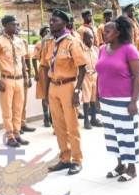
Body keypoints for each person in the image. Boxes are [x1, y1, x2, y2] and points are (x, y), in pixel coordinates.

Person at [95, 16, 139, 182]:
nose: (104, 34)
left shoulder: (129, 49)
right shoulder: (102, 49)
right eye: (104, 31)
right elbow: (100, 74)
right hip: (106, 100)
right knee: (113, 135)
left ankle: (132, 168)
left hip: (124, 101)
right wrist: (97, 97)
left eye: (108, 31)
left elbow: (138, 77)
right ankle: (120, 165)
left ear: (118, 33)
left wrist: (134, 101)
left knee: (127, 135)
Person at [42, 10, 87, 175]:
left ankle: (77, 159)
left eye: (55, 20)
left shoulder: (72, 42)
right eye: (51, 20)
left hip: (68, 86)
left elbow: (82, 68)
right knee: (58, 125)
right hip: (53, 86)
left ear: (64, 23)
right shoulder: (50, 42)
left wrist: (77, 90)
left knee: (72, 125)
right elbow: (46, 67)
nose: (51, 23)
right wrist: (46, 92)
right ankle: (65, 158)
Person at [0, 15, 31, 147]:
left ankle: (17, 134)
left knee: (18, 108)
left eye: (16, 24)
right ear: (5, 26)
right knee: (7, 110)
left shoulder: (19, 41)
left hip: (19, 79)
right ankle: (10, 136)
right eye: (13, 24)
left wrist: (26, 76)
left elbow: (23, 60)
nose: (16, 27)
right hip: (7, 80)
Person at [81, 29, 102, 129]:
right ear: (84, 39)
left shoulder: (95, 50)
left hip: (95, 75)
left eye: (92, 37)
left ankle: (93, 118)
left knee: (93, 98)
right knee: (86, 98)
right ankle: (86, 120)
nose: (91, 40)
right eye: (88, 38)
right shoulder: (81, 50)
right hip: (85, 76)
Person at [32, 26, 52, 127]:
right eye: (46, 31)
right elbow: (34, 58)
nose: (48, 33)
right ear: (42, 34)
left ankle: (52, 117)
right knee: (44, 95)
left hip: (52, 70)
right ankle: (46, 118)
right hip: (43, 70)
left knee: (52, 94)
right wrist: (36, 73)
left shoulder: (52, 42)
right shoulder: (39, 43)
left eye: (49, 31)